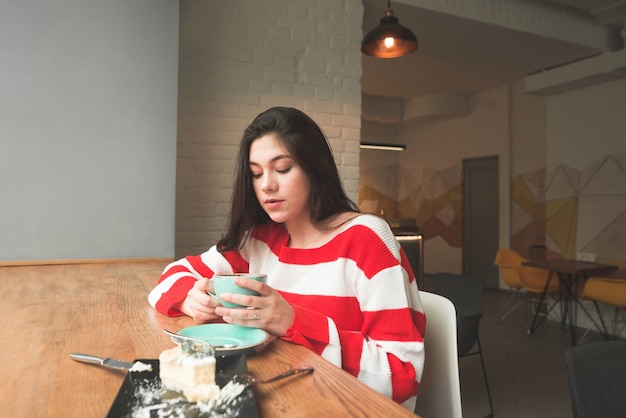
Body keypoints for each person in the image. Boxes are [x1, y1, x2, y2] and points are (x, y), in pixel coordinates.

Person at [148, 106, 425, 410]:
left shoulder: (366, 239)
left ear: (314, 169)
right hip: (285, 401)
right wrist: (192, 299)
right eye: (256, 173)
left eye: (282, 169)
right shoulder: (259, 240)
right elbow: (169, 277)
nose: (266, 184)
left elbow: (402, 376)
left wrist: (293, 321)